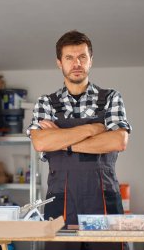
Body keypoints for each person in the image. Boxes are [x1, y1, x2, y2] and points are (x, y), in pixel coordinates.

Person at [27, 30, 132, 250]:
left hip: (103, 197)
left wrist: (62, 141)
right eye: (69, 58)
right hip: (61, 200)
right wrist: (93, 128)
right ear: (59, 63)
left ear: (91, 60)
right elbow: (40, 143)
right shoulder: (45, 103)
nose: (77, 63)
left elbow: (118, 141)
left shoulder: (111, 98)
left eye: (82, 57)